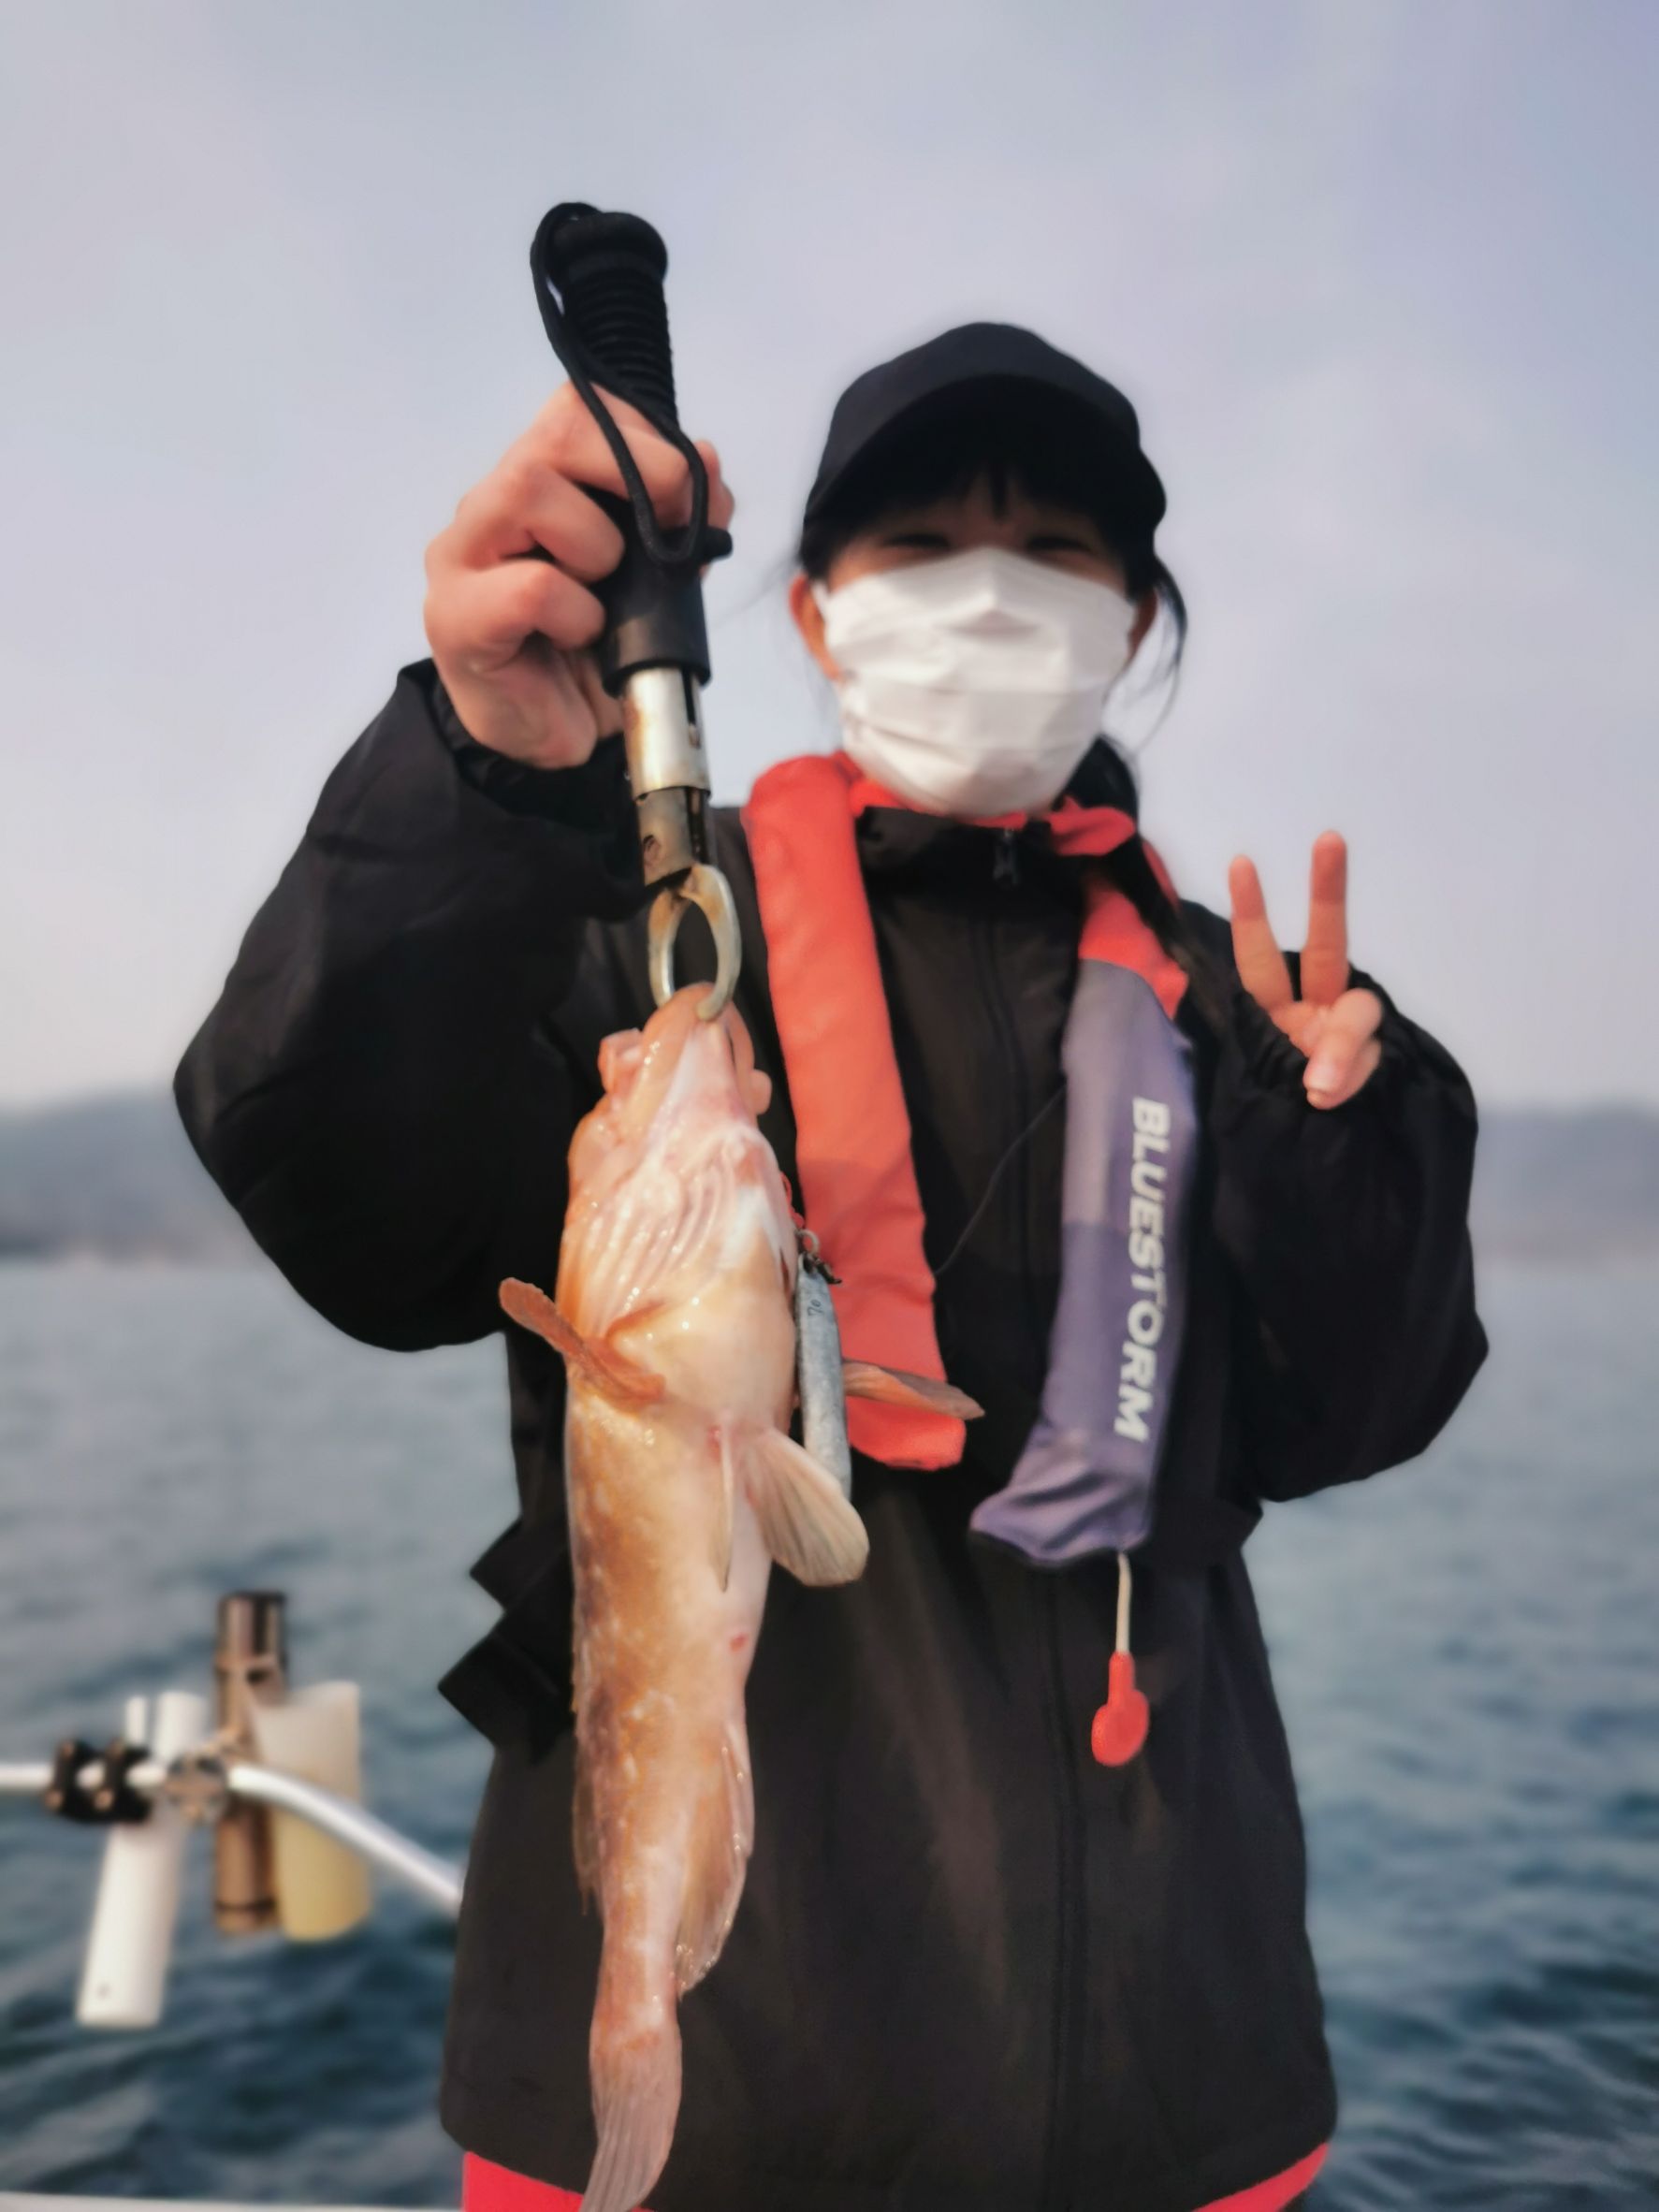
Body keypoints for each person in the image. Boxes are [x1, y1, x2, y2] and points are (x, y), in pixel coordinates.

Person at [176, 321, 1488, 2212]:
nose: (990, 591)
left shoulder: (1242, 1010)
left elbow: (1357, 1409)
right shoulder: (637, 932)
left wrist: (1339, 1144)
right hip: (703, 2093)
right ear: (807, 611)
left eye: (1054, 550)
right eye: (922, 543)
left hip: (1161, 2076)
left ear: (1130, 616)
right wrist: (476, 780)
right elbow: (343, 1203)